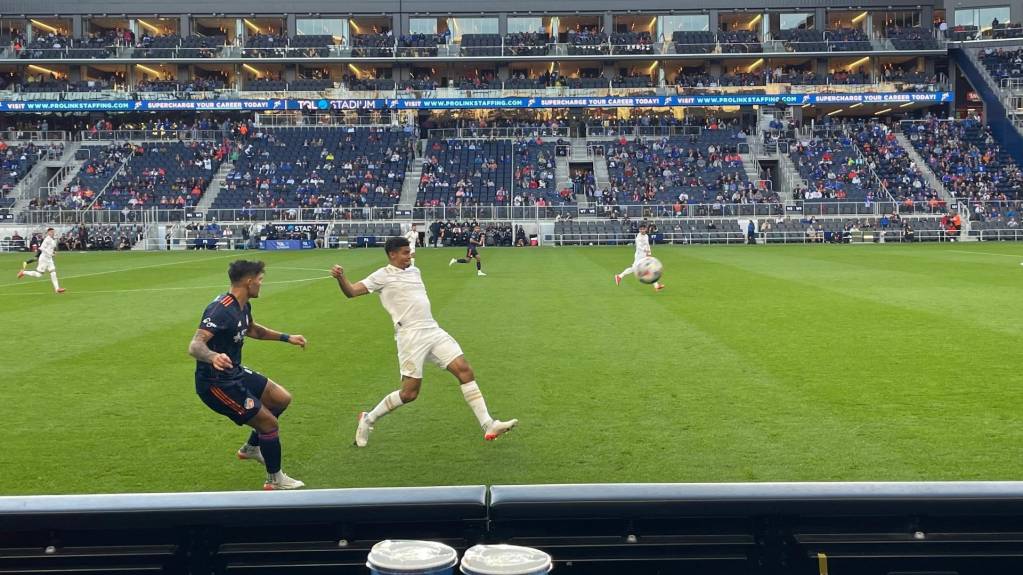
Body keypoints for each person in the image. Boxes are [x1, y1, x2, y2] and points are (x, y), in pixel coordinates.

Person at [330, 237, 517, 447]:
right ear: (392, 255)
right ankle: (368, 418)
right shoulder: (381, 276)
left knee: (464, 370)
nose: (409, 255)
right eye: (404, 252)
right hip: (410, 336)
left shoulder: (414, 271)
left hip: (432, 329)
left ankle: (488, 424)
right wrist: (341, 278)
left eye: (409, 252)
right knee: (409, 393)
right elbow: (352, 292)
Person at [188, 260, 307, 490]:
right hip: (216, 384)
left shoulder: (242, 305)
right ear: (249, 281)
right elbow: (195, 345)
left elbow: (252, 330)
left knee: (281, 399)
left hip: (234, 372)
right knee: (269, 424)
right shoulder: (220, 309)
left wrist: (287, 337)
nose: (262, 285)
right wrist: (212, 357)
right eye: (260, 280)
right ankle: (275, 480)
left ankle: (252, 448)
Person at [615, 223, 664, 292]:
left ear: (645, 229)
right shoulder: (638, 237)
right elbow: (639, 247)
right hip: (639, 255)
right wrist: (646, 251)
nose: (642, 230)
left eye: (643, 229)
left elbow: (647, 245)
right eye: (640, 229)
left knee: (648, 269)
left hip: (645, 255)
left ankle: (656, 286)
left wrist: (649, 253)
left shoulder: (646, 236)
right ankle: (619, 276)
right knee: (635, 268)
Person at [17, 228, 65, 294]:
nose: (53, 233)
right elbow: (41, 248)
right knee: (39, 274)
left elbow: (50, 249)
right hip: (44, 259)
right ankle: (23, 272)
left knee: (53, 273)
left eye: (53, 232)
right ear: (48, 233)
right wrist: (50, 253)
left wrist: (53, 252)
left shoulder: (52, 240)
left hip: (49, 259)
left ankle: (57, 289)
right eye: (51, 232)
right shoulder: (47, 239)